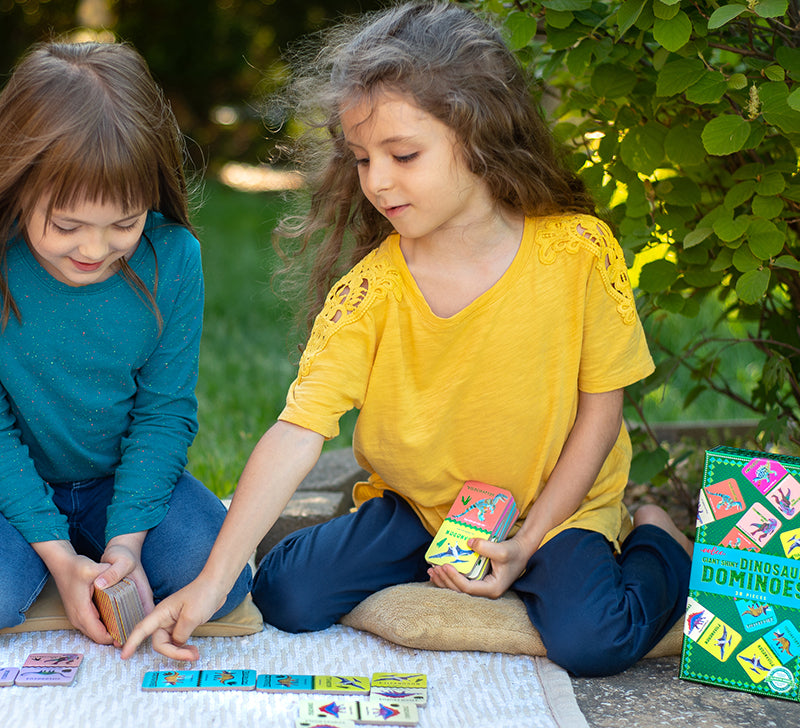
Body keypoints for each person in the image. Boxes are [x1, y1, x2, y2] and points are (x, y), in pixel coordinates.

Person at [123, 1, 692, 675]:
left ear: (479, 134)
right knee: (285, 593)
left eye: (403, 154)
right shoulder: (371, 293)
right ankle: (451, 566)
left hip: (558, 511)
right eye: (362, 159)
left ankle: (657, 535)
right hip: (421, 511)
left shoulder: (577, 254)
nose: (377, 181)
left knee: (593, 641)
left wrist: (529, 538)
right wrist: (214, 583)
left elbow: (602, 412)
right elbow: (299, 430)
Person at [0, 40, 252, 646]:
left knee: (222, 581)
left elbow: (163, 413)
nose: (93, 250)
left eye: (124, 224)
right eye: (66, 226)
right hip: (11, 485)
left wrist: (127, 539)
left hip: (123, 481)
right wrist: (56, 553)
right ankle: (49, 559)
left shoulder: (174, 258)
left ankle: (92, 552)